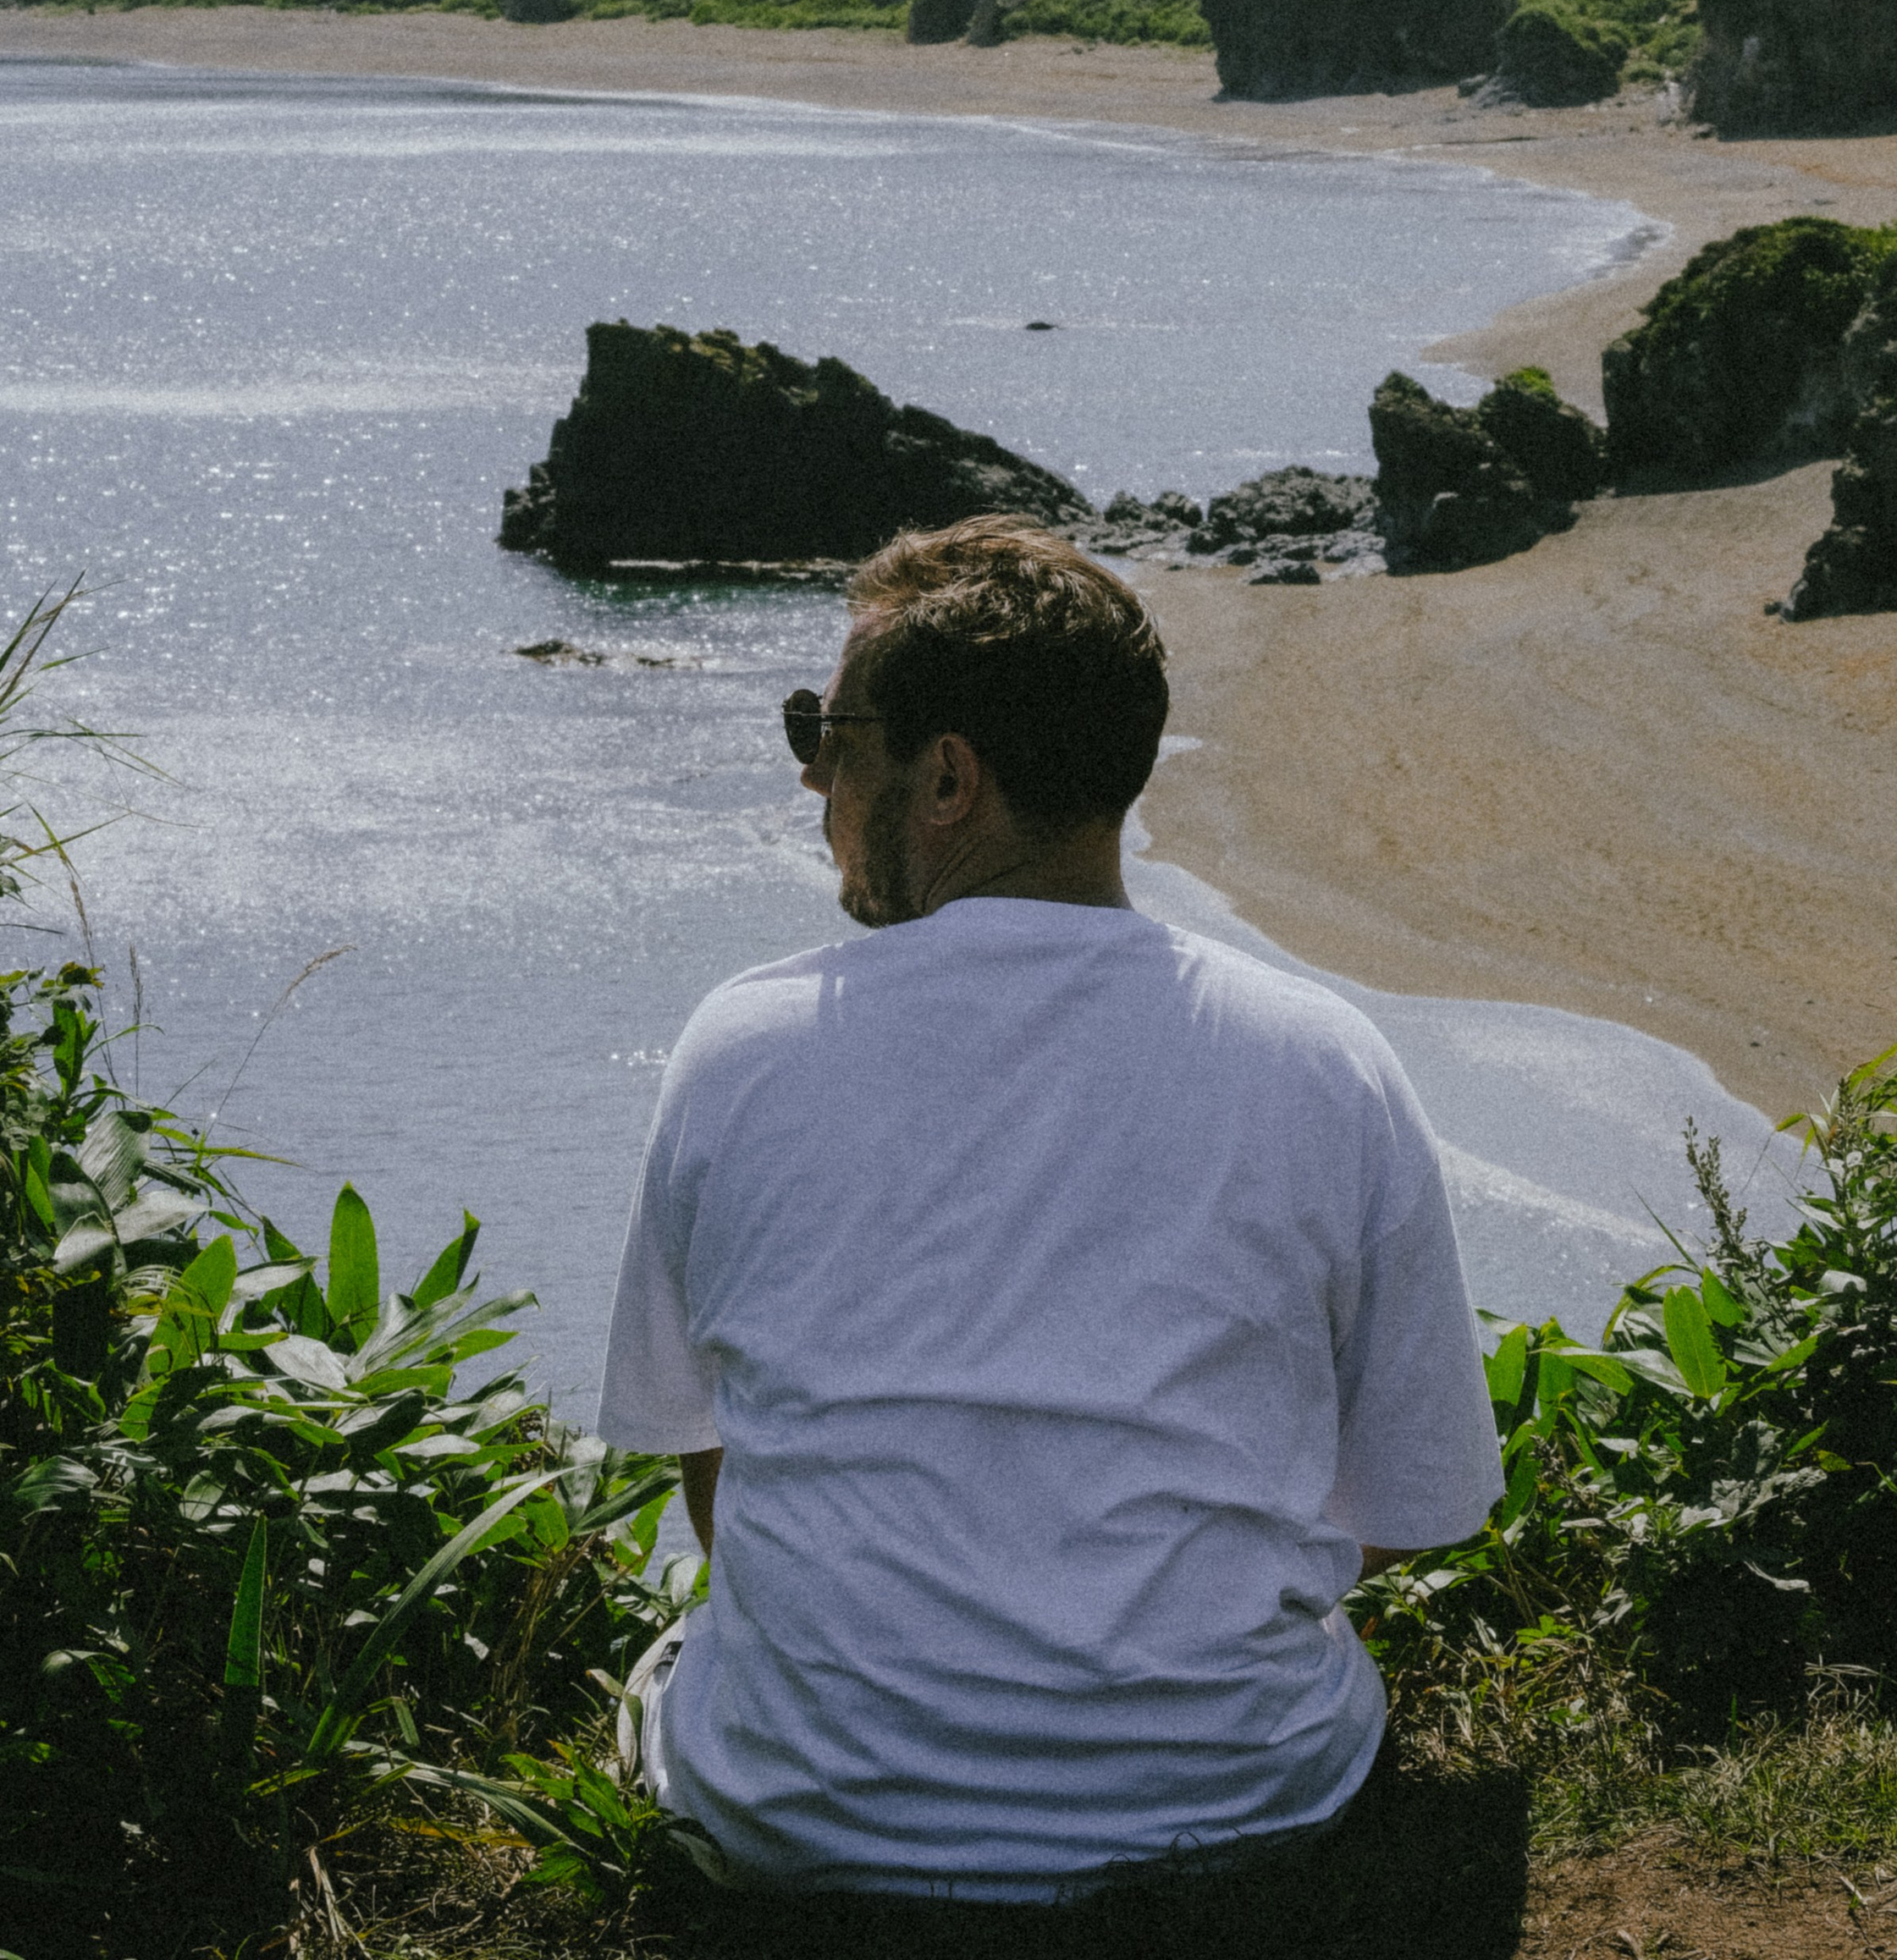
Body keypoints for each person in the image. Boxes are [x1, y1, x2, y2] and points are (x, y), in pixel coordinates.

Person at [597, 517, 1503, 1907]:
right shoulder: (1320, 1059)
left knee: (670, 1667)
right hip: (1234, 1800)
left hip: (810, 1812)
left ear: (948, 777)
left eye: (832, 731)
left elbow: (704, 1462)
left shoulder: (743, 1047)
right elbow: (1417, 1501)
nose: (809, 771)